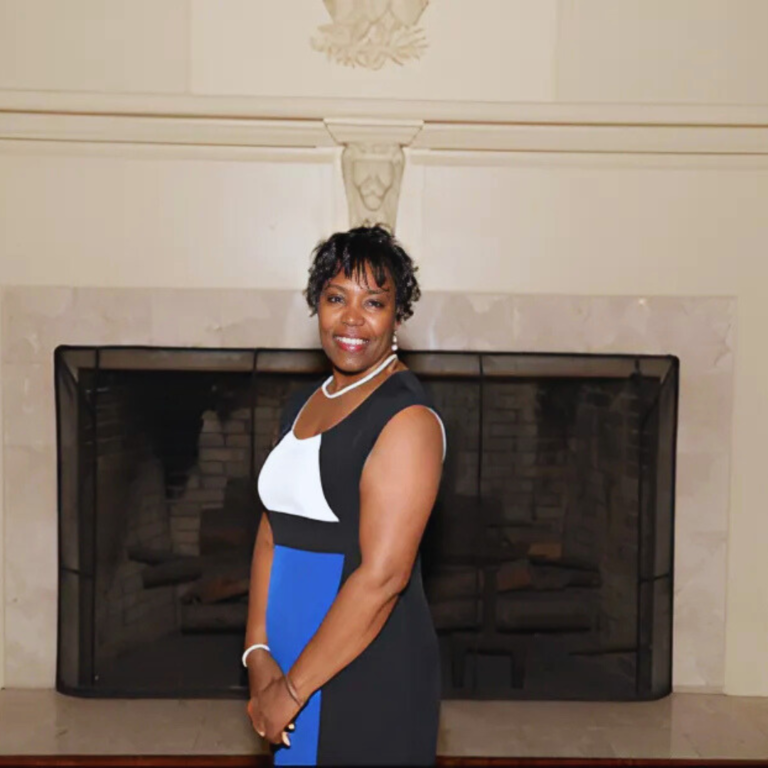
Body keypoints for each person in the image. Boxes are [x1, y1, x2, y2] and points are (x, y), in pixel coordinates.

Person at [242, 225, 446, 766]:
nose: (352, 318)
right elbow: (271, 528)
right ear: (317, 307)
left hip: (363, 667)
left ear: (396, 317)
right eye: (337, 298)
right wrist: (259, 651)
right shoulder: (302, 405)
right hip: (290, 659)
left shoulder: (408, 420)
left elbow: (383, 579)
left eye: (373, 302)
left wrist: (289, 692)